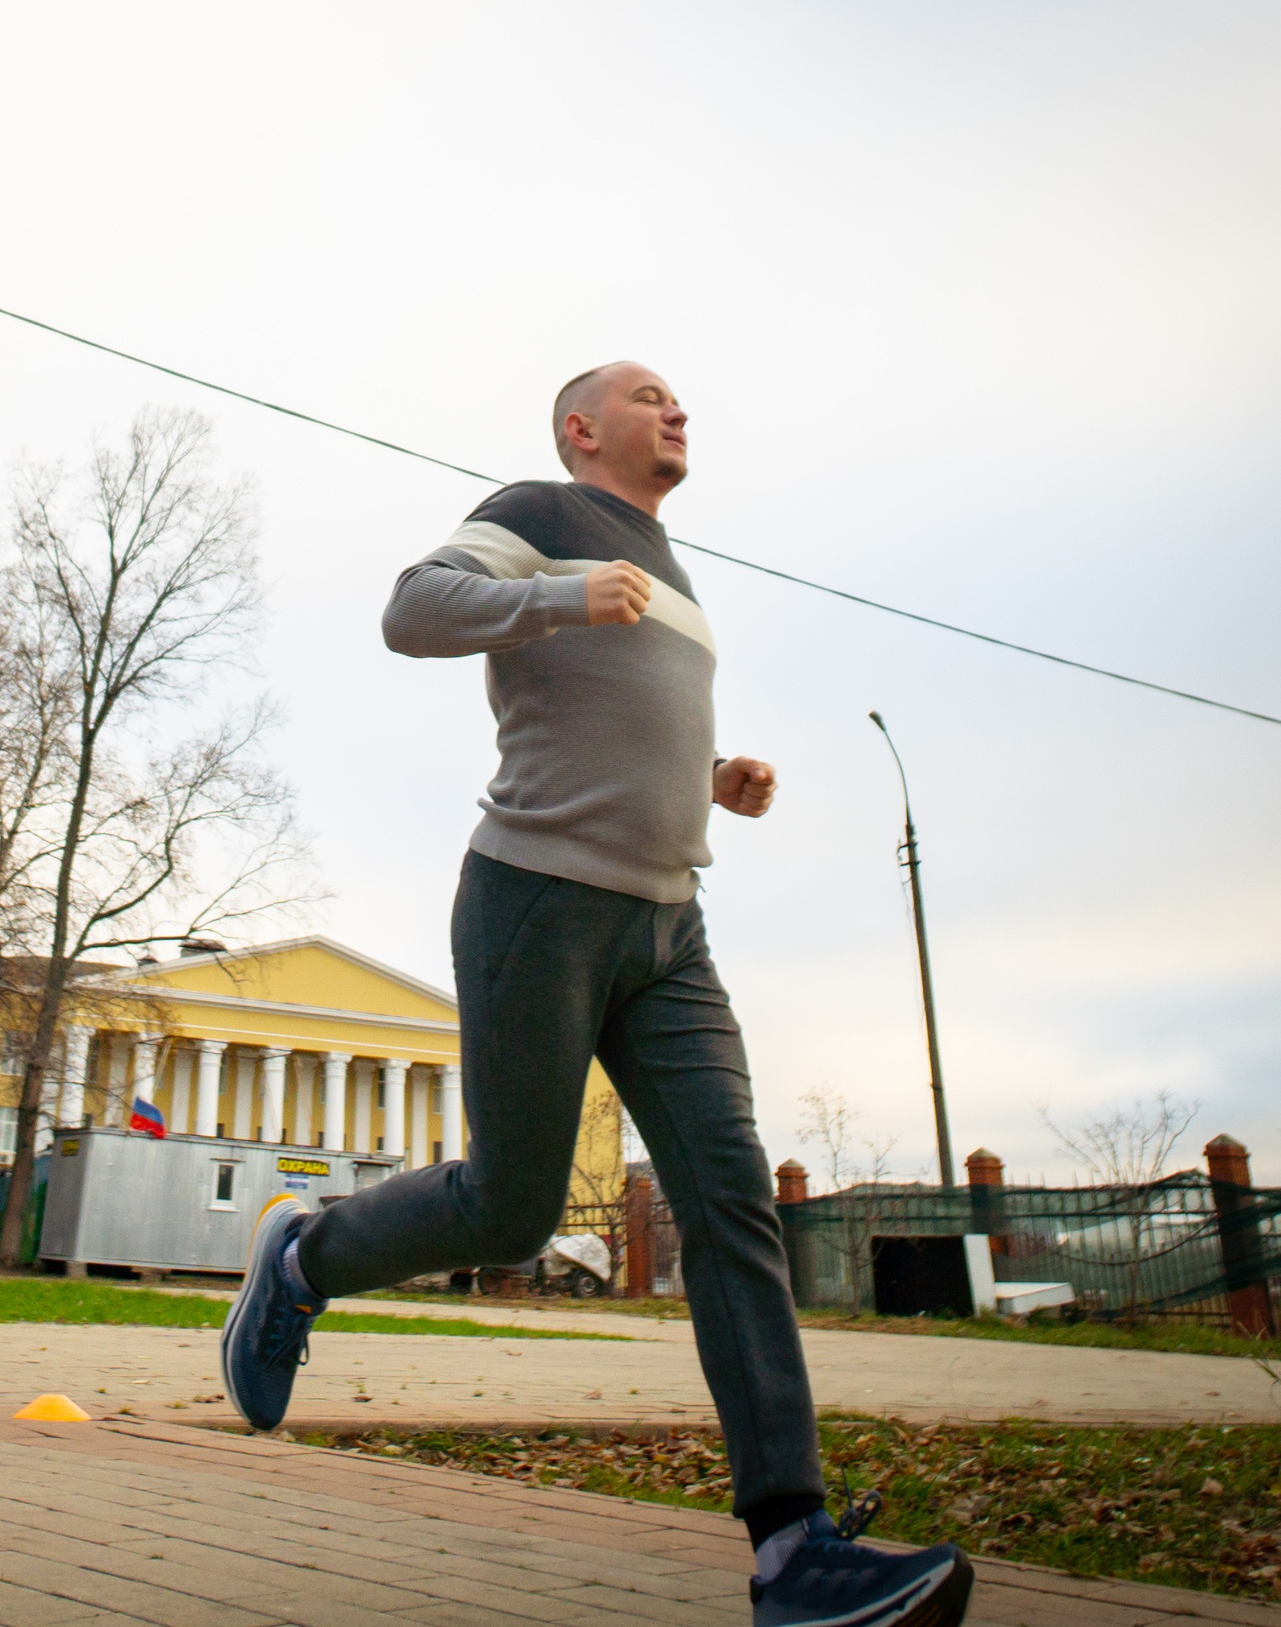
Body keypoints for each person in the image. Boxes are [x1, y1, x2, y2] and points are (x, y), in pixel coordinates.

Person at [218, 364, 972, 1627]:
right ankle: (304, 1256)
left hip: (671, 925)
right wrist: (559, 592)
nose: (679, 410)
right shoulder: (546, 512)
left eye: (683, 397)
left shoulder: (673, 570)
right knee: (507, 1209)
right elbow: (412, 609)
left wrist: (707, 772)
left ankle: (793, 1548)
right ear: (582, 429)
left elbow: (623, 712)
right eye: (648, 395)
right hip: (537, 901)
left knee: (732, 1198)